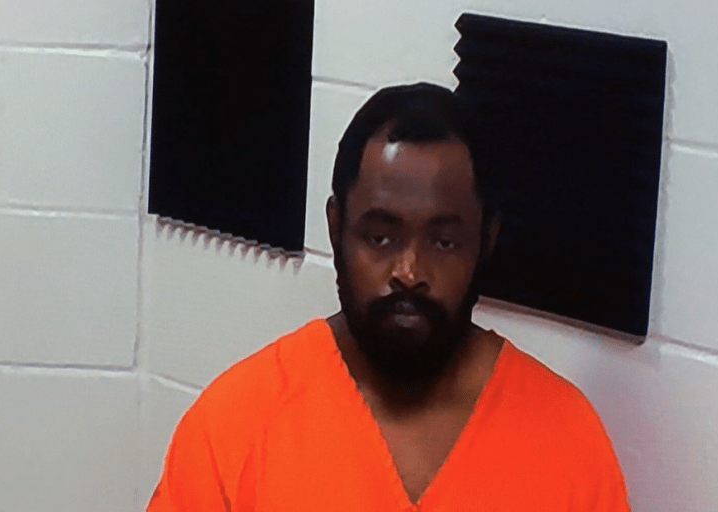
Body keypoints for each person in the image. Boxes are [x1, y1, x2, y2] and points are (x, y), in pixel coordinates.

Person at [147, 83, 629, 511]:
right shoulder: (232, 428)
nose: (409, 272)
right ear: (336, 229)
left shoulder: (568, 440)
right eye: (380, 238)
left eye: (444, 242)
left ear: (486, 241)